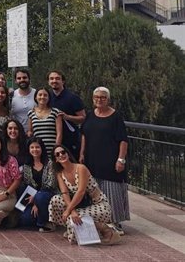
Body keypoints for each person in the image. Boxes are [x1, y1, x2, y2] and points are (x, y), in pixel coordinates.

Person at [80, 86, 129, 234]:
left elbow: (123, 140)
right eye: (96, 97)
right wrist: (81, 153)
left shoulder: (116, 116)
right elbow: (84, 135)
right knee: (95, 191)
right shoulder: (90, 115)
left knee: (112, 191)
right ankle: (99, 221)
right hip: (92, 160)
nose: (99, 100)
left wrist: (121, 159)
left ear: (108, 99)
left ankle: (115, 222)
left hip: (110, 161)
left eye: (103, 97)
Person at [49, 145, 120, 245]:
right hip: (80, 205)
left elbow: (81, 191)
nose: (61, 155)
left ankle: (108, 231)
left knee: (73, 219)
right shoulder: (60, 173)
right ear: (56, 159)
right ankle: (75, 227)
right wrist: (72, 211)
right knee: (55, 200)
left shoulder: (80, 168)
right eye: (57, 154)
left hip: (98, 205)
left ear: (67, 154)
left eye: (63, 152)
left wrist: (69, 211)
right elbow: (64, 193)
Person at [19, 136, 57, 232]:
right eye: (32, 147)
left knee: (41, 197)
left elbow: (50, 184)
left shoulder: (50, 164)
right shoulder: (26, 166)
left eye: (37, 147)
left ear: (42, 149)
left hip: (47, 195)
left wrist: (36, 197)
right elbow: (28, 185)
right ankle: (42, 218)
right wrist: (34, 203)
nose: (35, 150)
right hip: (32, 197)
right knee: (25, 219)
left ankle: (43, 224)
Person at [47, 71, 86, 158]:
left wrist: (67, 117)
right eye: (51, 79)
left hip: (70, 140)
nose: (54, 81)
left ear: (63, 81)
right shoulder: (47, 97)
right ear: (48, 82)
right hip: (51, 138)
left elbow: (83, 118)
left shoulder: (72, 98)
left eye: (57, 78)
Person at [27, 88, 62, 158]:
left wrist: (56, 149)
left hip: (52, 149)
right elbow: (30, 131)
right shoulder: (31, 113)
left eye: (45, 95)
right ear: (35, 97)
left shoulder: (56, 112)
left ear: (49, 98)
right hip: (37, 150)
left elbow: (59, 133)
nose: (42, 97)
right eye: (40, 95)